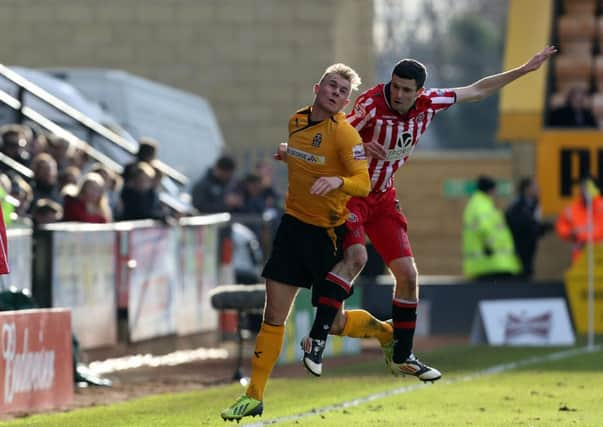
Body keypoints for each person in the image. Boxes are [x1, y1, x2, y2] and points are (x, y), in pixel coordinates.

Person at [290, 46, 556, 381]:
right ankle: (316, 340)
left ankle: (402, 355)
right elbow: (335, 132)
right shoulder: (372, 102)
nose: (398, 94)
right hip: (352, 194)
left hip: (384, 198)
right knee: (357, 258)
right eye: (395, 86)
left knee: (409, 276)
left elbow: (477, 89)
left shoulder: (431, 103)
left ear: (419, 92)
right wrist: (354, 144)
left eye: (406, 90)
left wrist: (524, 69)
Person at [220, 63, 370, 422]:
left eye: (342, 92)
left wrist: (338, 182)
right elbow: (305, 157)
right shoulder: (297, 120)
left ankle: (384, 333)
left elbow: (362, 182)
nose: (335, 93)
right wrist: (288, 154)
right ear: (317, 87)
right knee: (273, 314)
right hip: (292, 228)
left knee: (335, 324)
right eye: (331, 86)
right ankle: (253, 395)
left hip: (327, 234)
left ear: (345, 102)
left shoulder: (346, 135)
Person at [463, 176, 521, 280]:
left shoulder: (480, 204)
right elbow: (485, 229)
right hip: (492, 263)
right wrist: (491, 248)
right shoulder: (482, 206)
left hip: (489, 263)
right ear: (491, 190)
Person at [505, 177, 553, 279]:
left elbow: (534, 224)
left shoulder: (536, 204)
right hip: (518, 243)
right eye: (535, 187)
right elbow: (513, 223)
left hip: (531, 243)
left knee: (528, 268)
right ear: (527, 189)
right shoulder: (517, 205)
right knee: (520, 269)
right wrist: (531, 227)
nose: (538, 189)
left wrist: (542, 228)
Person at [556, 176, 603, 264]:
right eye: (583, 187)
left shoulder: (601, 205)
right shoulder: (571, 209)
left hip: (600, 254)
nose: (585, 190)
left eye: (588, 187)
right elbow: (562, 227)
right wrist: (569, 233)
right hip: (580, 254)